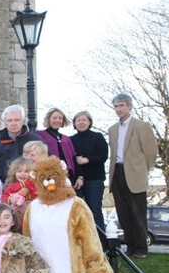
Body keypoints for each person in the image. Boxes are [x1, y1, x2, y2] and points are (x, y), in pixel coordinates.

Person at [108, 93, 158, 258]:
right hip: (117, 174)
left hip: (135, 174)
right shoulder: (112, 129)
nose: (118, 109)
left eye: (121, 105)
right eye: (116, 106)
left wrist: (142, 170)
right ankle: (130, 248)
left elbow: (151, 153)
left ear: (129, 106)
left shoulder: (142, 126)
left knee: (138, 214)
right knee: (123, 214)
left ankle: (141, 249)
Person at [71, 110, 109, 248]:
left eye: (84, 120)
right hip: (77, 181)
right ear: (74, 123)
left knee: (94, 210)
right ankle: (80, 243)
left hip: (95, 180)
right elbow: (70, 159)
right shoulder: (71, 140)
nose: (81, 122)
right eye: (78, 120)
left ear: (89, 122)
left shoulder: (97, 137)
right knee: (77, 211)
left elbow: (103, 156)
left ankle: (100, 244)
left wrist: (87, 160)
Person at [0, 104, 43, 182]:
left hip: (31, 187)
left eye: (17, 120)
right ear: (5, 122)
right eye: (9, 120)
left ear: (23, 121)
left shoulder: (35, 140)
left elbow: (45, 163)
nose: (13, 123)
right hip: (4, 187)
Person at [36, 107, 79, 183]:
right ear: (49, 119)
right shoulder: (39, 135)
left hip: (67, 175)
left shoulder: (66, 139)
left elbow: (73, 159)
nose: (57, 120)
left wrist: (79, 176)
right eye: (54, 118)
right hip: (49, 175)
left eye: (60, 118)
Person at [1, 156, 37, 225]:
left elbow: (36, 193)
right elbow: (4, 197)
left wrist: (26, 190)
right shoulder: (11, 186)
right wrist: (11, 199)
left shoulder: (33, 184)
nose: (22, 174)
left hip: (31, 215)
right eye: (19, 171)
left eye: (26, 171)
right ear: (14, 173)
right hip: (16, 216)